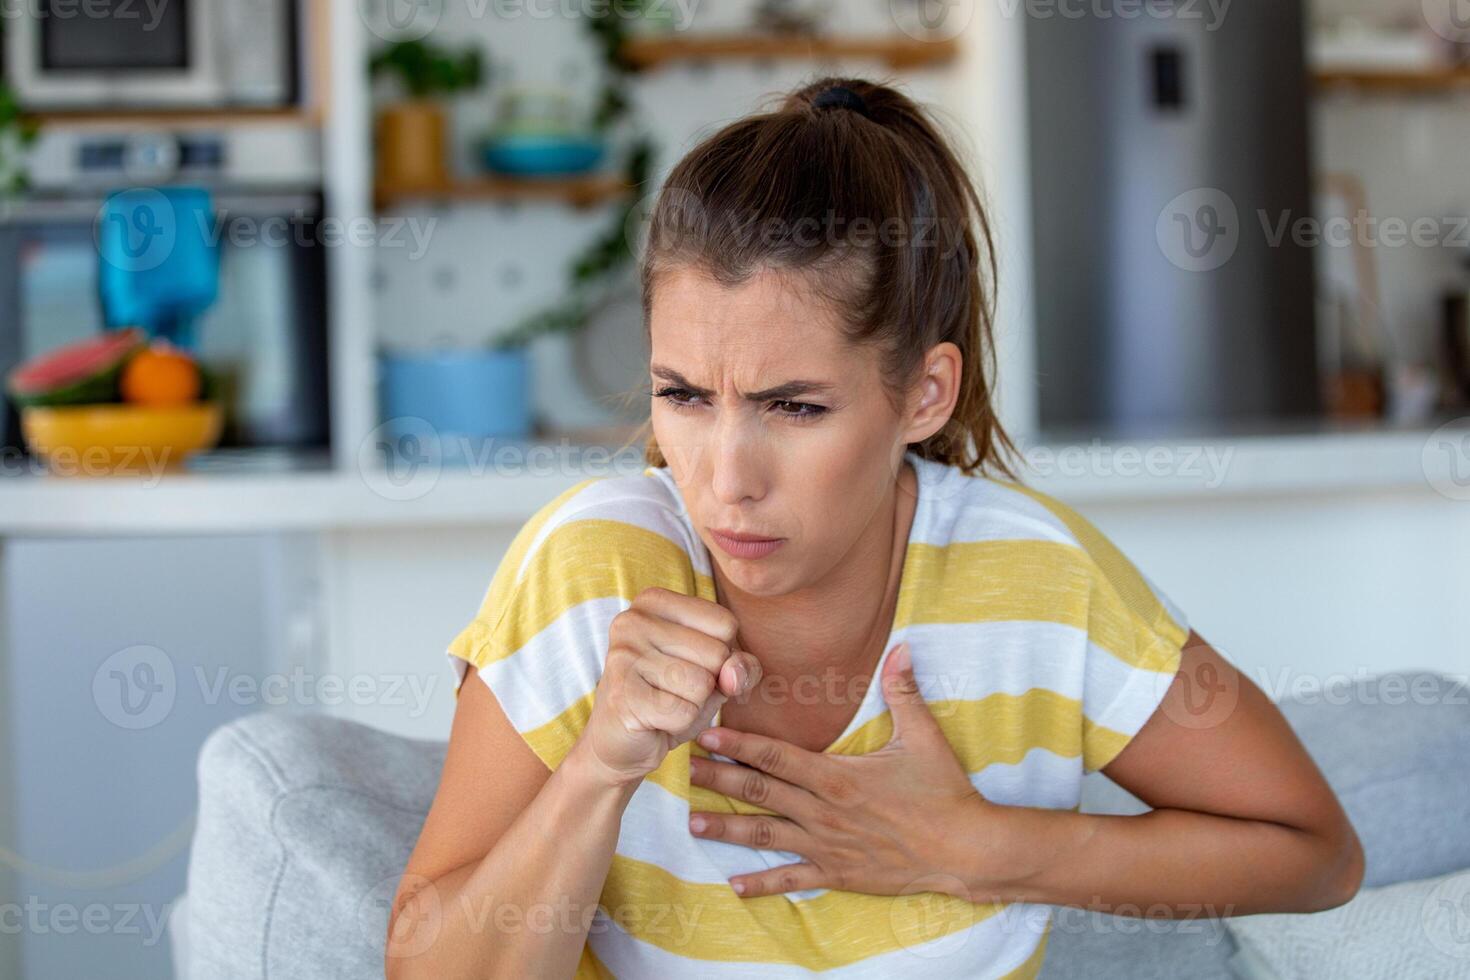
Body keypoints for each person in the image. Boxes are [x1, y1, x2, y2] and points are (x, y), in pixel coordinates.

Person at [386, 77, 1364, 979]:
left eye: (796, 407)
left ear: (925, 393)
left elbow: (1317, 856)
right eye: (681, 395)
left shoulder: (1039, 582)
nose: (726, 480)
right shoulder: (591, 570)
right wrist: (598, 767)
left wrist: (976, 848)